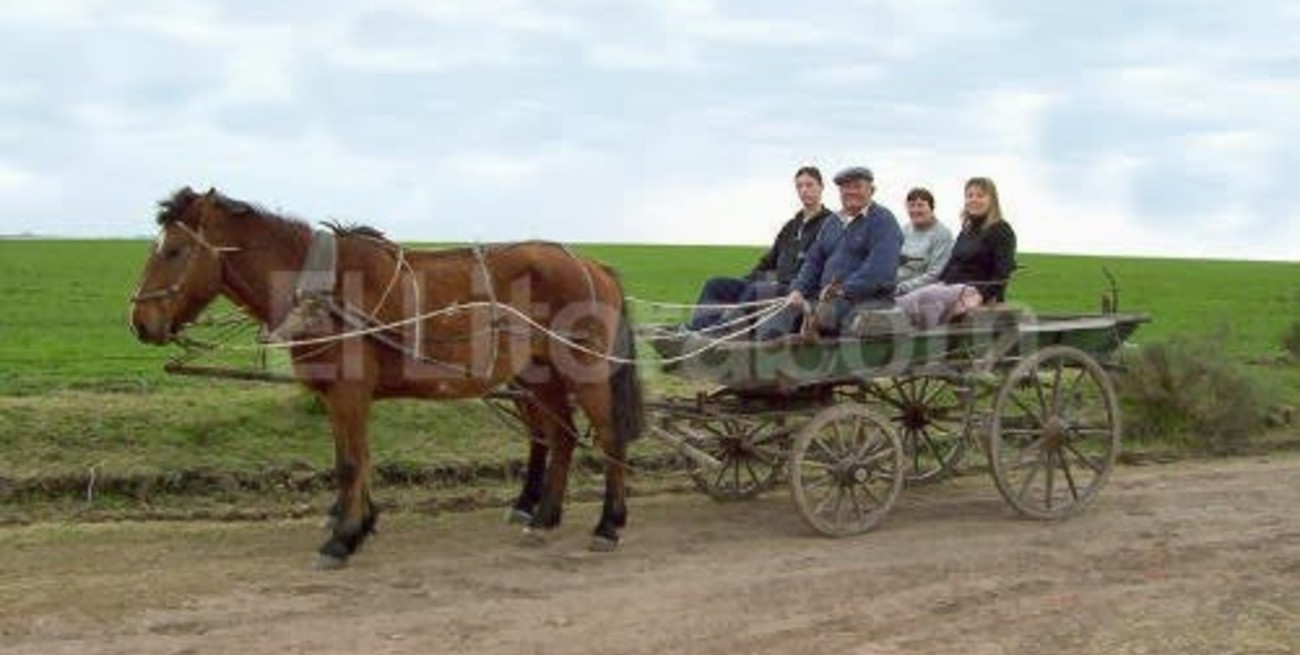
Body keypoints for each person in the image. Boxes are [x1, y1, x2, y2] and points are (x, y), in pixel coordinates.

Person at [758, 165, 902, 340]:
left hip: (866, 300)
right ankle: (764, 350)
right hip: (826, 298)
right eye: (845, 188)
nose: (850, 192)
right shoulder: (832, 223)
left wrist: (841, 290)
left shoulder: (883, 221)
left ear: (871, 190)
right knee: (779, 313)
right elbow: (813, 261)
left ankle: (796, 348)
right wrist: (797, 290)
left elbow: (880, 271)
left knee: (821, 315)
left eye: (857, 186)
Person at [686, 166, 832, 331]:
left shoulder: (830, 224)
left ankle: (721, 333)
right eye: (799, 186)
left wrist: (802, 289)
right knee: (715, 284)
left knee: (757, 290)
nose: (804, 190)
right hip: (773, 285)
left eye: (809, 185)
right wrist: (746, 280)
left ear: (821, 187)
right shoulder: (791, 226)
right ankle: (697, 330)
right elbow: (769, 261)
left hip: (796, 292)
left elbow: (824, 266)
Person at [895, 177, 1017, 329]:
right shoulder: (967, 230)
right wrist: (939, 283)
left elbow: (1002, 274)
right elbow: (952, 263)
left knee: (928, 297)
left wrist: (980, 296)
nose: (973, 200)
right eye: (970, 195)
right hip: (952, 287)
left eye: (980, 196)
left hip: (975, 290)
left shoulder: (1001, 230)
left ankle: (929, 338)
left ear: (992, 200)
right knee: (906, 299)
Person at [894, 187, 954, 296]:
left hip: (920, 293)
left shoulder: (942, 234)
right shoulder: (904, 230)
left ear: (931, 207)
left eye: (920, 205)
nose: (915, 210)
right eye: (911, 205)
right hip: (893, 286)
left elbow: (935, 274)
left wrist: (901, 288)